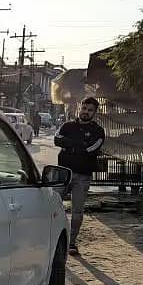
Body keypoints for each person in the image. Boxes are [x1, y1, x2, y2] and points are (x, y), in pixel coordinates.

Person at [54, 97, 105, 256]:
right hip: (63, 173)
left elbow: (91, 149)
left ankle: (72, 243)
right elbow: (57, 139)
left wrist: (69, 145)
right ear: (79, 108)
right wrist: (79, 145)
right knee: (53, 208)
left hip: (83, 177)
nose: (86, 112)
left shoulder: (98, 131)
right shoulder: (67, 126)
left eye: (90, 110)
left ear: (94, 113)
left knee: (77, 212)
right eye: (84, 108)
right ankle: (53, 241)